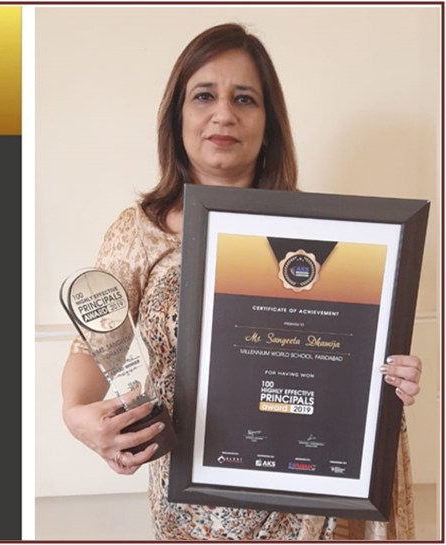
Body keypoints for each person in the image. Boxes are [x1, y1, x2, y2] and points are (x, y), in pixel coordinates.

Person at [61, 23, 422, 541]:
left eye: (245, 99)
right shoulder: (139, 232)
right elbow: (92, 349)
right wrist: (78, 416)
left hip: (307, 509)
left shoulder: (327, 236)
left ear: (269, 124)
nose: (224, 114)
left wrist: (391, 376)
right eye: (204, 95)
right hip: (190, 511)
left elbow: (346, 357)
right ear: (178, 116)